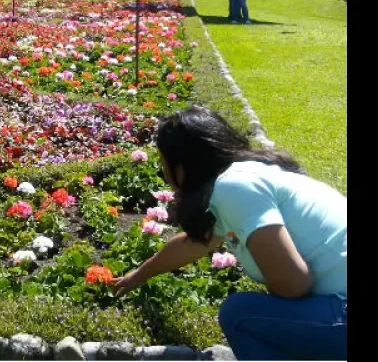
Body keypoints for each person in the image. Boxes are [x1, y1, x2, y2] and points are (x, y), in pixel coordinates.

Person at [112, 106, 346, 360]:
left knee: (239, 314)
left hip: (341, 312)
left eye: (164, 162)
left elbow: (294, 284)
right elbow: (194, 243)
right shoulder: (248, 174)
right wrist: (139, 275)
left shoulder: (234, 187)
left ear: (182, 165)